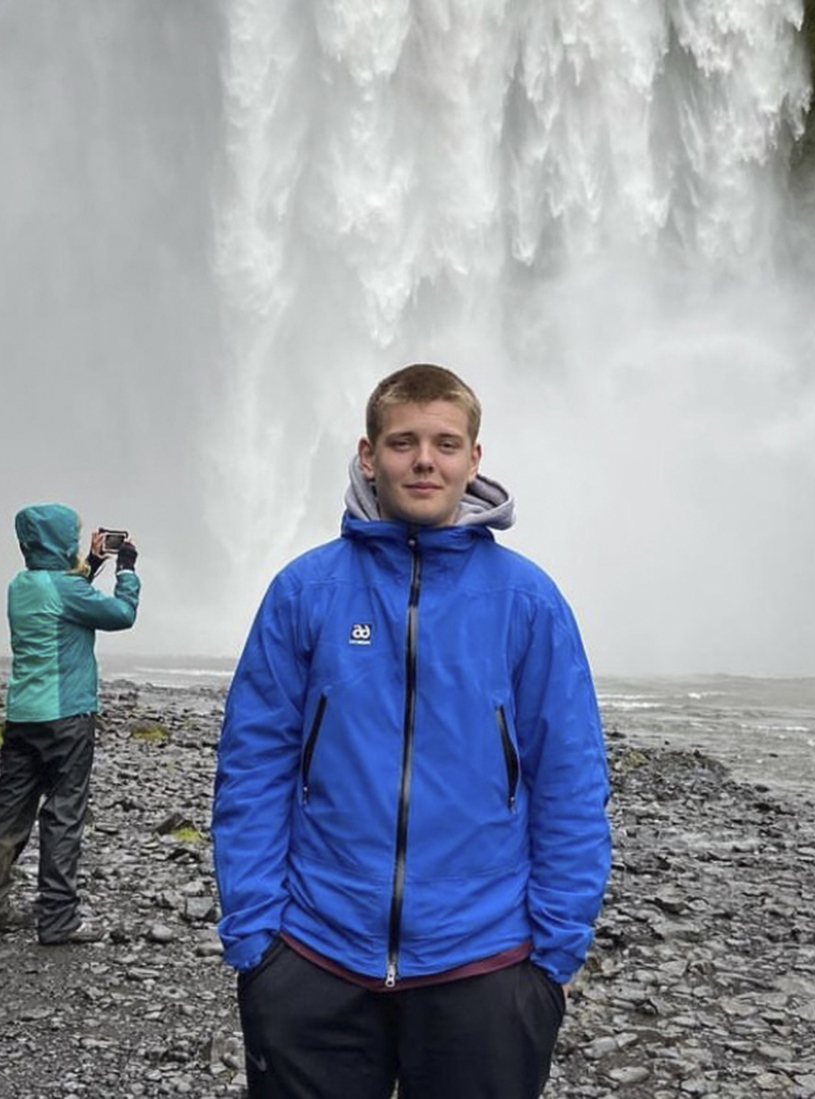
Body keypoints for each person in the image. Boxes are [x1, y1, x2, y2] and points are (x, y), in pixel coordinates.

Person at [211, 363, 611, 1099]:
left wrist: (552, 953)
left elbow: (571, 777)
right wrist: (258, 938)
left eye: (445, 442)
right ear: (368, 454)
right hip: (314, 954)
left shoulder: (528, 600)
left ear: (474, 459)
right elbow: (253, 764)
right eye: (403, 442)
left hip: (486, 962)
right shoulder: (306, 590)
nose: (424, 460)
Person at [0, 503, 140, 945]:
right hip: (67, 717)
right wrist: (126, 571)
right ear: (62, 542)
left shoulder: (22, 586)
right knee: (63, 814)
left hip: (23, 716)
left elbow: (65, 594)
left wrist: (94, 561)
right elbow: (121, 615)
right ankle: (58, 919)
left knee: (8, 812)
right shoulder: (66, 590)